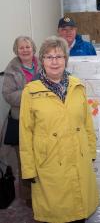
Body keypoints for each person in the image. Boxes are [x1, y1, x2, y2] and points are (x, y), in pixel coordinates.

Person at [19, 36, 99, 223]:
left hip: (79, 161)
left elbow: (87, 124)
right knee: (56, 214)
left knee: (79, 213)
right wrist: (29, 169)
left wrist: (91, 152)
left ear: (65, 60)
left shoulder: (77, 86)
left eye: (59, 56)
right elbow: (25, 133)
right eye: (49, 57)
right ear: (42, 61)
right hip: (49, 164)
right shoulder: (31, 91)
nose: (54, 61)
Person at [2, 36, 39, 207]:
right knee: (25, 161)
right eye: (21, 47)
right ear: (16, 51)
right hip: (21, 121)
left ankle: (44, 192)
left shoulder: (42, 64)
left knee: (42, 158)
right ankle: (29, 198)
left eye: (28, 46)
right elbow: (8, 95)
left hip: (42, 121)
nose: (25, 50)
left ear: (33, 48)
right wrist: (29, 93)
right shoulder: (11, 69)